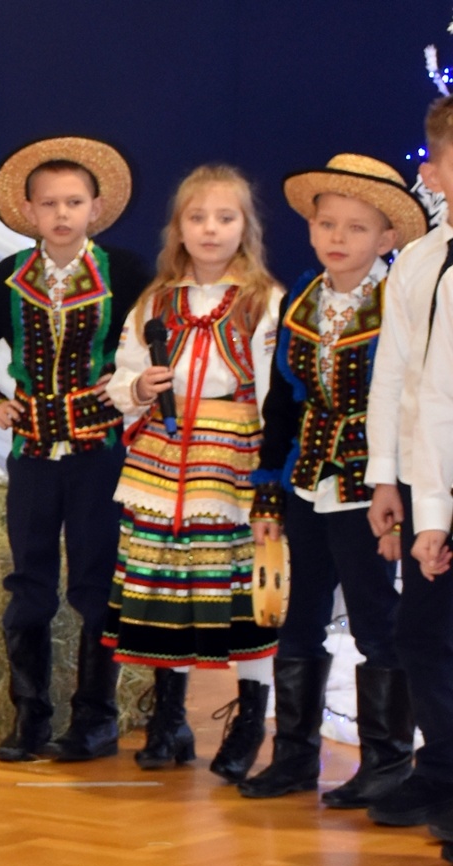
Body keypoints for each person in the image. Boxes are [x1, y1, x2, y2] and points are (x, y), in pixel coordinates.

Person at [0, 136, 150, 763]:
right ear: (29, 211)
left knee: (96, 580)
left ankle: (96, 719)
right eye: (49, 203)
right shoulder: (12, 276)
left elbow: (154, 340)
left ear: (96, 208)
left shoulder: (125, 273)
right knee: (31, 581)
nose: (62, 214)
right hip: (34, 454)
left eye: (74, 202)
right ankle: (30, 717)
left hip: (100, 453)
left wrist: (130, 386)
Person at [242, 156, 425, 802]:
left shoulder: (399, 302)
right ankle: (295, 756)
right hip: (306, 481)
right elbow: (282, 402)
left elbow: (410, 405)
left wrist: (399, 495)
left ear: (387, 238)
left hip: (370, 490)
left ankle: (387, 762)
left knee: (376, 619)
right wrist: (269, 489)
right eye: (327, 224)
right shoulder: (301, 298)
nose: (338, 237)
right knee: (300, 617)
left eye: (356, 227)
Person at [104, 165, 282, 776]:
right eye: (197, 217)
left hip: (232, 460)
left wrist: (269, 475)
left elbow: (274, 392)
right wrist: (139, 387)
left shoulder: (263, 301)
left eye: (225, 218)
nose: (210, 229)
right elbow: (123, 375)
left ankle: (249, 724)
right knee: (167, 588)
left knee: (243, 593)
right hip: (162, 458)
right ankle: (169, 719)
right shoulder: (156, 302)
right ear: (178, 229)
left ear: (245, 228)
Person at [369, 96, 453, 835]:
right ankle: (442, 772)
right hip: (432, 474)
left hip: (445, 480)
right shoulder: (420, 263)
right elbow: (401, 381)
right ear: (433, 170)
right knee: (423, 635)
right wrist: (386, 477)